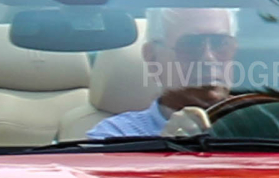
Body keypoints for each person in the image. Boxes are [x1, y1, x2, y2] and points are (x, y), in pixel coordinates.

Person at [89, 8, 240, 138]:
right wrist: (167, 147)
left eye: (221, 44)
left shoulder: (260, 124)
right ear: (153, 58)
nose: (209, 58)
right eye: (191, 44)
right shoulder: (115, 137)